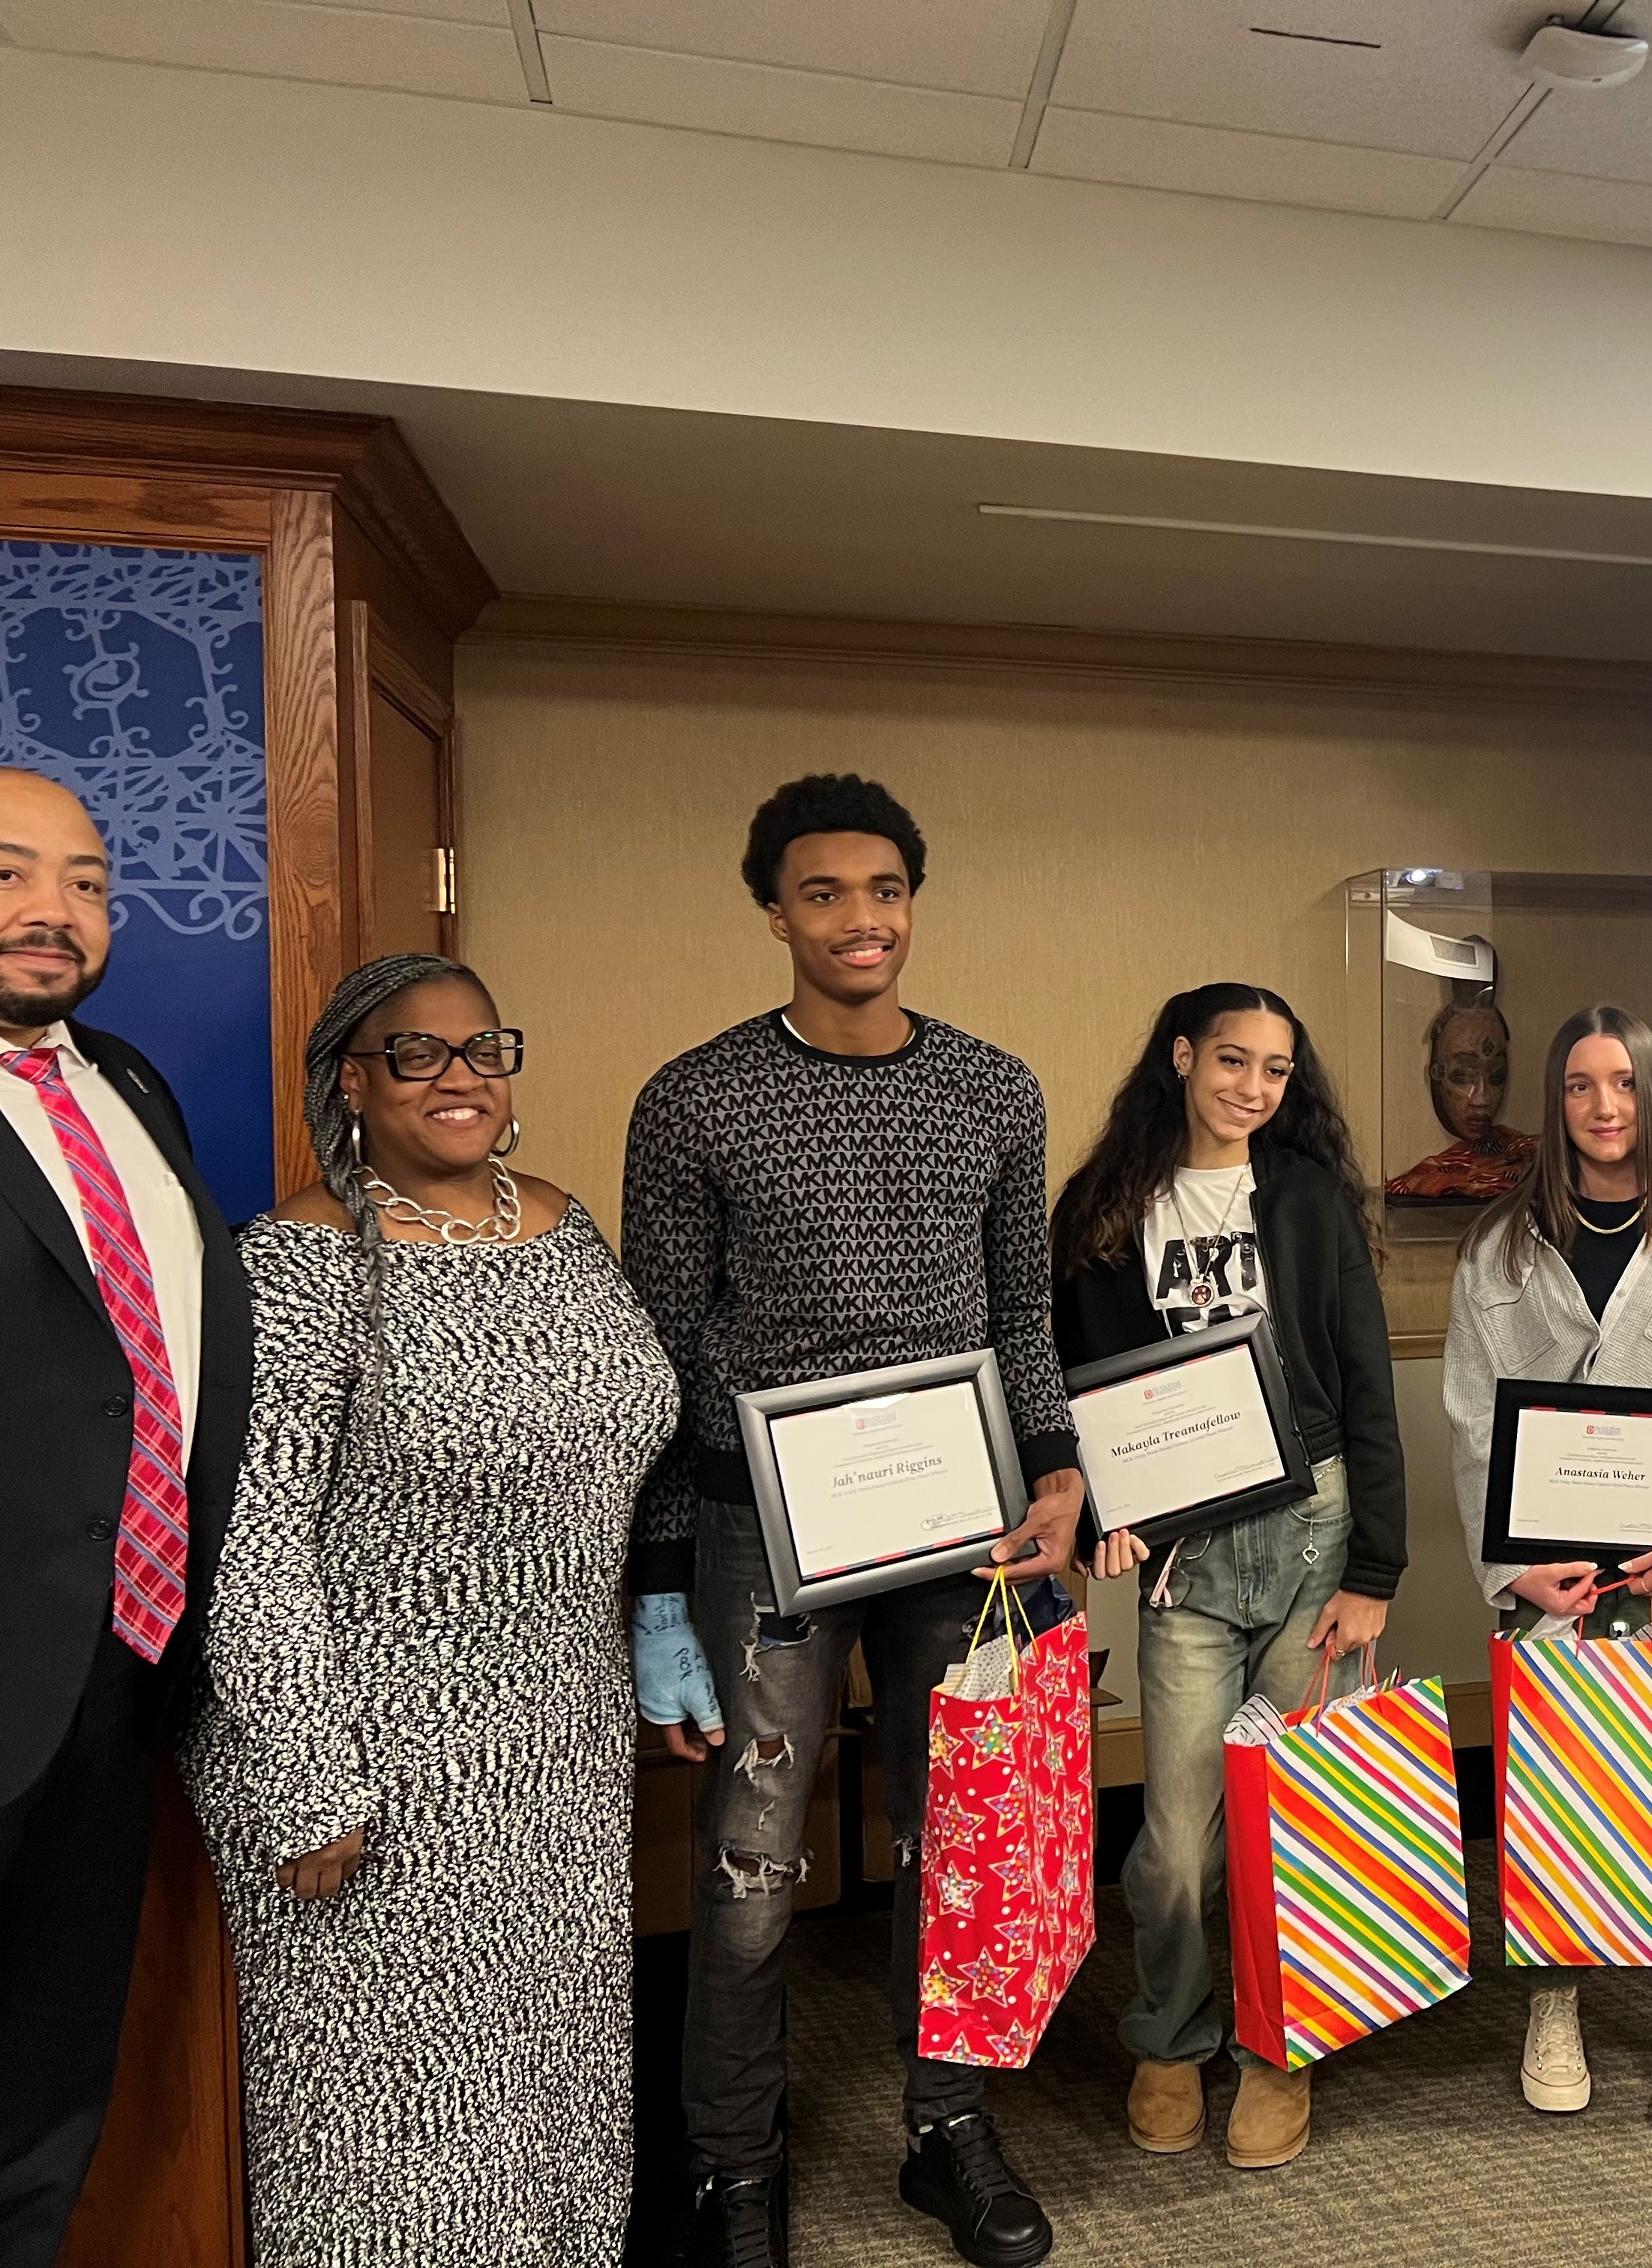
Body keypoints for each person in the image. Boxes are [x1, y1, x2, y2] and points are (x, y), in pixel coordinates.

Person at [623, 775, 1085, 2268]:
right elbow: (668, 1342)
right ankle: (731, 2164)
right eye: (824, 893)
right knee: (753, 1859)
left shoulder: (996, 1089)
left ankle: (946, 2129)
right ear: (774, 912)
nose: (860, 918)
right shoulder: (694, 1099)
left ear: (912, 903)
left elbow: (1022, 1314)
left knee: (955, 1831)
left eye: (884, 890)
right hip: (773, 1526)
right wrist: (682, 1561)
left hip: (965, 1521)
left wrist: (1060, 1466)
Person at [179, 955, 675, 2266]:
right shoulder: (300, 1260)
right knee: (384, 2125)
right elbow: (251, 1533)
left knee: (551, 2083)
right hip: (370, 1752)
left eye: (482, 1048)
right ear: (353, 1078)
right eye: (418, 1052)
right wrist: (303, 1776)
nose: (460, 1075)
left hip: (559, 1736)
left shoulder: (564, 1224)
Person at [1050, 982, 1406, 2171]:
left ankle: (1275, 2050)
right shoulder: (1105, 1209)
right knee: (1178, 1843)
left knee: (1289, 1823)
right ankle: (1168, 2035)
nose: (1254, 1087)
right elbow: (1082, 1387)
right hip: (1186, 1562)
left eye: (1277, 1070)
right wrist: (1105, 1510)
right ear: (1182, 1056)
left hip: (1313, 1534)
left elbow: (1365, 1387)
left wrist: (1379, 1568)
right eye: (1234, 1061)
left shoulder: (1308, 1200)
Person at [0, 768, 251, 2265]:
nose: (53, 910)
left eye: (86, 880)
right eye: (12, 873)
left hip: (117, 1671)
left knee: (44, 2080)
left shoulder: (132, 1086)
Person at [1443, 1004, 1652, 2127]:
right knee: (1555, 1797)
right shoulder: (1498, 1246)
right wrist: (1513, 1568)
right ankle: (1554, 1996)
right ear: (1557, 1101)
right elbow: (1474, 1426)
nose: (1604, 1108)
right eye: (1582, 1086)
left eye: (1625, 1084)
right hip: (1552, 1580)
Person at [1385, 995, 1534, 1201]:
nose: (1482, 1099)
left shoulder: (1529, 1157)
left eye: (1496, 1077)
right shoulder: (1427, 1176)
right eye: (1463, 1077)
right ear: (1437, 1074)